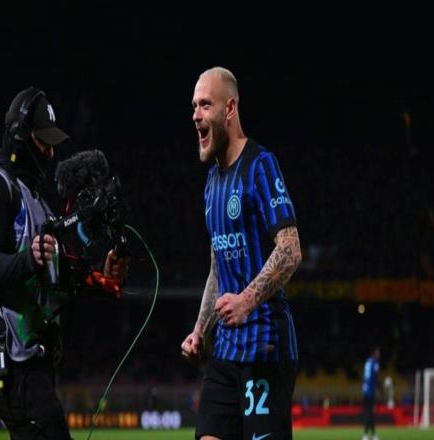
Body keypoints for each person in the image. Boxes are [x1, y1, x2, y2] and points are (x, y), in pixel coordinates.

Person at [0, 87, 127, 439]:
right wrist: (28, 260)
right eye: (43, 142)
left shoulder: (37, 200)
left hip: (32, 359)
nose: (51, 153)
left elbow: (56, 279)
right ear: (21, 137)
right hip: (12, 361)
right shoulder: (1, 187)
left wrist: (101, 280)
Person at [181, 67, 302, 440]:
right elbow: (217, 268)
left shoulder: (261, 165)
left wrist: (247, 300)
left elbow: (290, 249)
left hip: (265, 347)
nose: (195, 115)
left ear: (229, 108)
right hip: (225, 351)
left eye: (205, 105)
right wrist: (200, 331)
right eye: (194, 106)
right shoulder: (211, 183)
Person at [362, 347, 380, 440]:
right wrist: (380, 390)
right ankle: (365, 435)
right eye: (377, 354)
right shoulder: (375, 364)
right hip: (370, 392)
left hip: (365, 391)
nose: (379, 356)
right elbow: (376, 377)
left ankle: (373, 435)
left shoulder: (367, 363)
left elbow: (365, 377)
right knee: (370, 414)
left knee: (369, 413)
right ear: (373, 354)